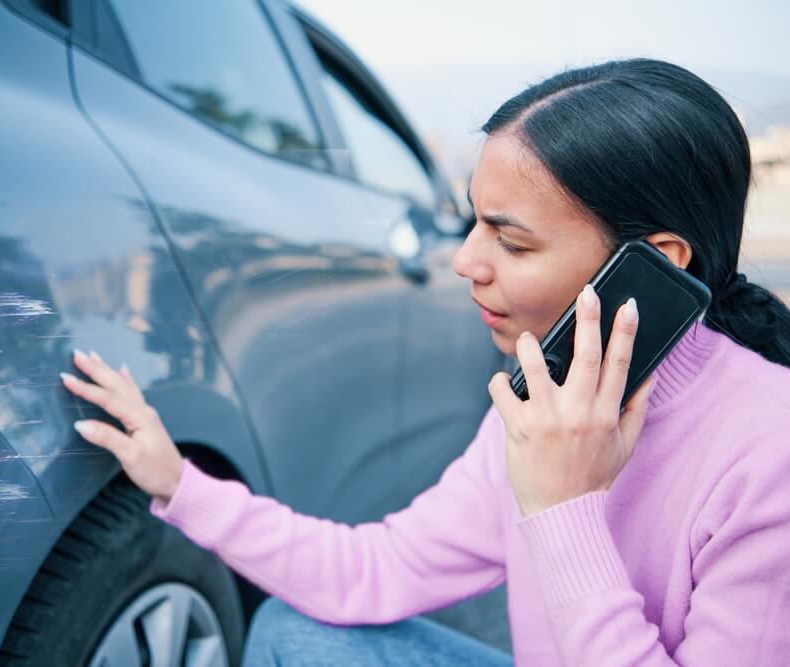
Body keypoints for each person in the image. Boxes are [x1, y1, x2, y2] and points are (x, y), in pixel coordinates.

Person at [59, 58, 790, 665]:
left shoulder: (768, 448)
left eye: (512, 241)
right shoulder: (539, 406)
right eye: (473, 219)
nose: (466, 260)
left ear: (652, 264)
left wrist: (565, 507)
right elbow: (374, 571)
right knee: (295, 632)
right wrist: (181, 482)